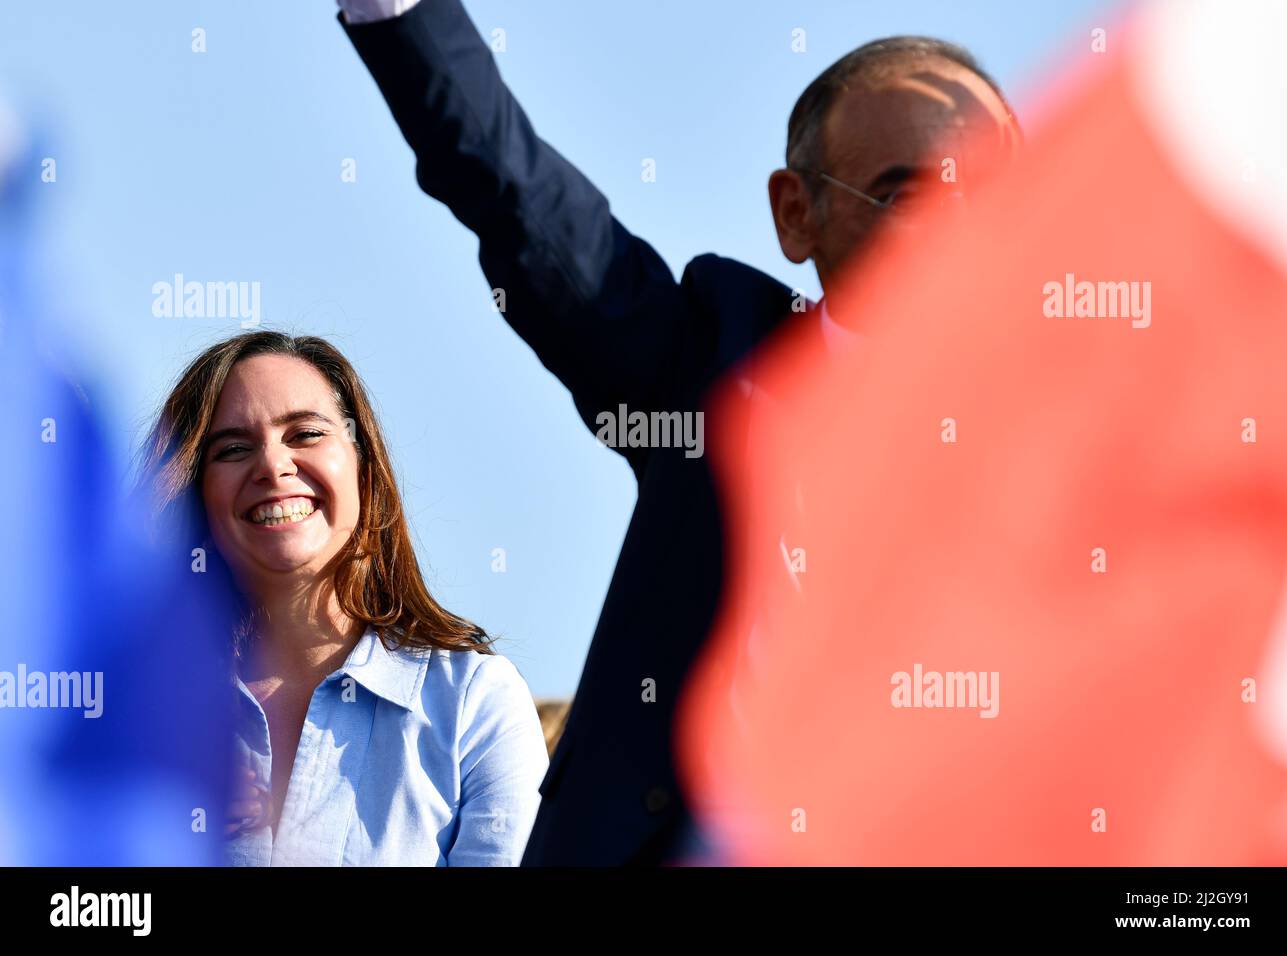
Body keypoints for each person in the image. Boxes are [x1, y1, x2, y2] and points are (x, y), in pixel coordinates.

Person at [335, 0, 1020, 865]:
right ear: (796, 214)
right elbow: (524, 202)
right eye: (905, 195)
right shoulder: (713, 366)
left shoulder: (1097, 434)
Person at [137, 330, 550, 865]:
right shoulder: (136, 710)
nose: (272, 465)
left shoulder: (474, 704)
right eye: (233, 449)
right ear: (195, 494)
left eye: (305, 433)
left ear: (364, 470)